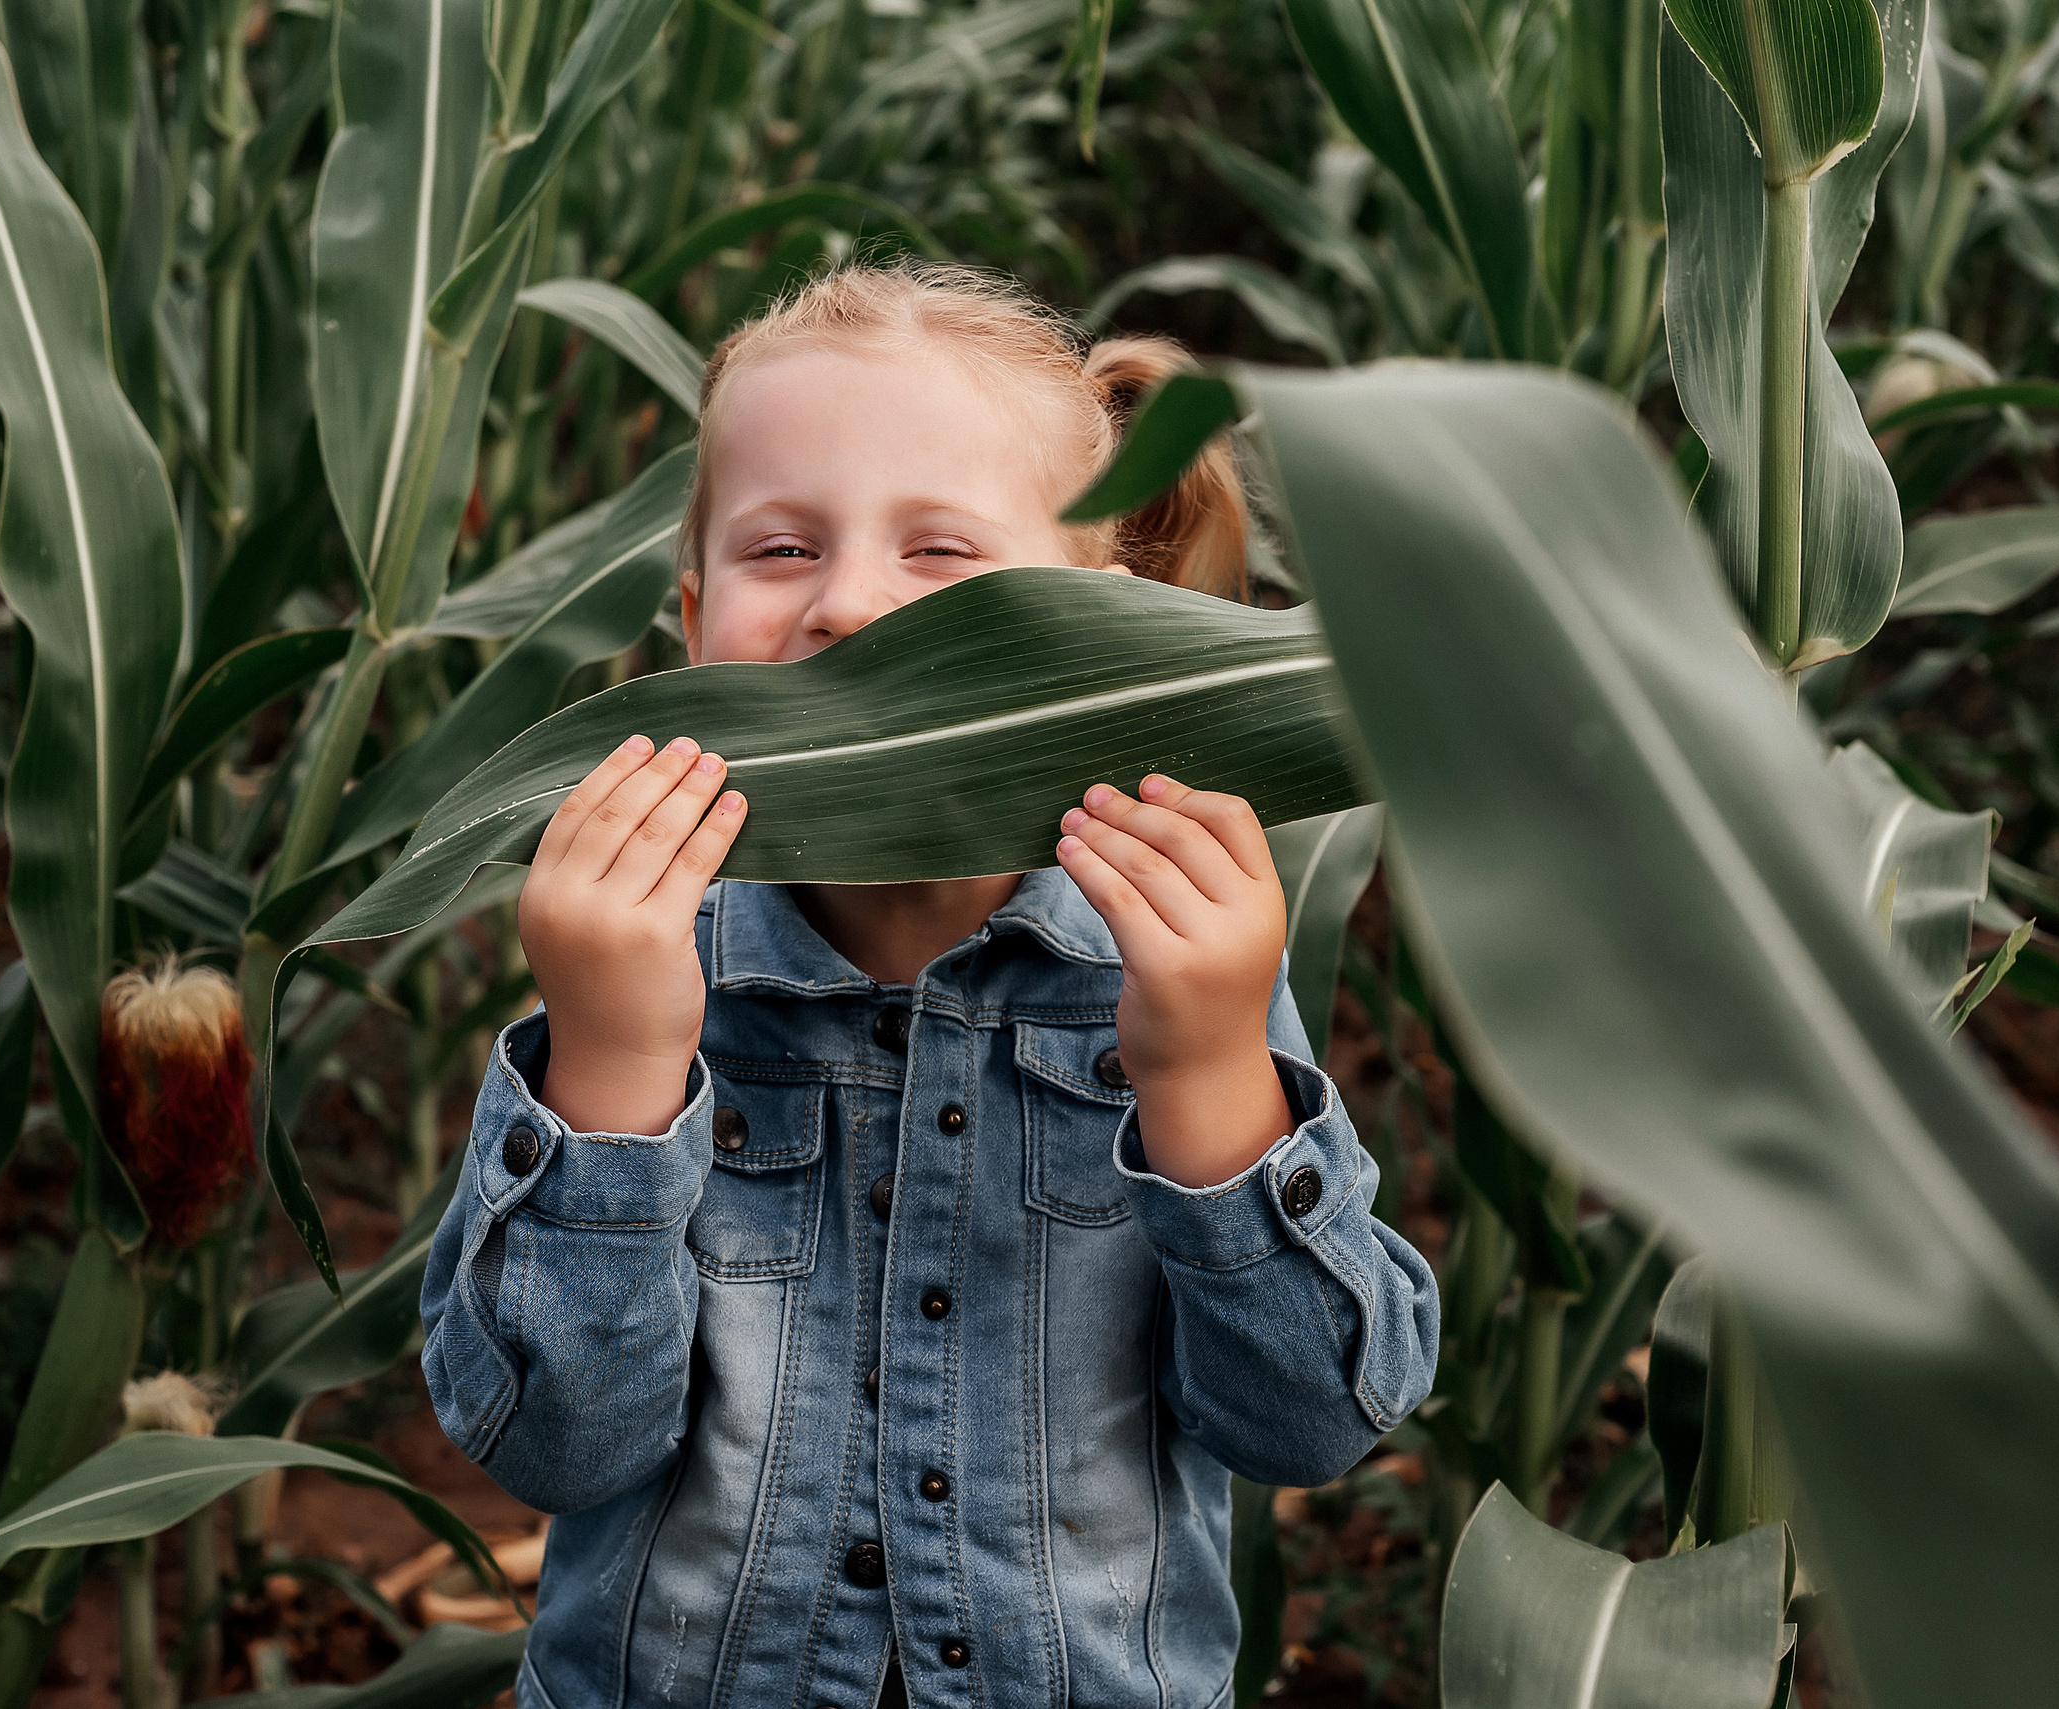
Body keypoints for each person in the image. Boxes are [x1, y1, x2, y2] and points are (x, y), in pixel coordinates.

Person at [419, 262, 1438, 1709]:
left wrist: (1208, 1071)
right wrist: (612, 1067)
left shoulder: (1167, 966)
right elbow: (554, 1446)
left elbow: (1311, 1420)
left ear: (1101, 625)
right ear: (691, 617)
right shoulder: (637, 960)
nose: (846, 604)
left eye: (941, 556)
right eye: (780, 551)